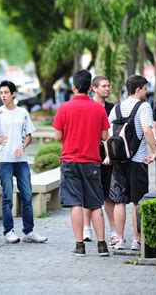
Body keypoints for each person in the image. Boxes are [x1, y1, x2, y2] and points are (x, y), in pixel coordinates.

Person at [52, 70, 110, 257]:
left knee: (76, 203)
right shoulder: (99, 108)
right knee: (95, 204)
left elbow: (57, 136)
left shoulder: (64, 108)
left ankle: (80, 246)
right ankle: (102, 246)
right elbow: (104, 136)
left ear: (74, 87)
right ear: (90, 87)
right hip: (92, 162)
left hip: (70, 161)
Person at [0, 80, 47, 244]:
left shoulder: (23, 113)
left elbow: (29, 136)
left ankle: (29, 231)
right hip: (5, 161)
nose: (3, 96)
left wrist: (22, 146)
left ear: (13, 94)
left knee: (26, 196)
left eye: (6, 92)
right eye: (1, 93)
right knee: (7, 198)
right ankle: (8, 231)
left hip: (21, 162)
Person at [108, 75, 156, 251]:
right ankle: (137, 240)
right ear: (138, 89)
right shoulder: (143, 106)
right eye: (145, 88)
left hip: (119, 160)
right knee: (138, 201)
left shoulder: (117, 107)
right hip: (138, 160)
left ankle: (119, 239)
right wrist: (154, 150)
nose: (146, 91)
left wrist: (109, 155)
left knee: (119, 200)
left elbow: (108, 132)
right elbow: (146, 129)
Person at [82, 76, 117, 242]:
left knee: (109, 194)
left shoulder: (112, 108)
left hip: (109, 155)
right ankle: (86, 228)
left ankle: (113, 229)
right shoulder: (87, 106)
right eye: (104, 86)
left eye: (108, 86)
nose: (107, 89)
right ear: (94, 88)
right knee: (89, 192)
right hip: (90, 153)